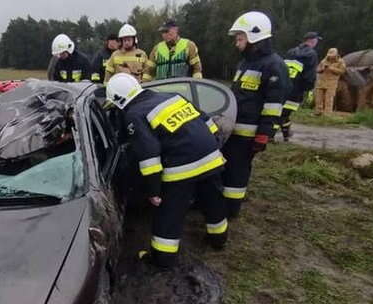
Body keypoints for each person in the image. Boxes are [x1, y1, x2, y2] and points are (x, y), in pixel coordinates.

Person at [106, 73, 228, 268]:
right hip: (212, 157)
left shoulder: (134, 114)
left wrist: (154, 191)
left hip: (182, 167)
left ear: (119, 100)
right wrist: (214, 146)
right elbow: (207, 122)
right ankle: (219, 239)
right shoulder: (171, 96)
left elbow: (149, 157)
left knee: (169, 213)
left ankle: (162, 259)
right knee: (213, 200)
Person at [224, 11, 290, 218]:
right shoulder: (245, 63)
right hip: (234, 130)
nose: (236, 43)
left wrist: (264, 134)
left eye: (240, 38)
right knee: (228, 168)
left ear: (255, 36)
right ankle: (222, 203)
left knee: (237, 173)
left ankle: (231, 209)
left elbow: (274, 105)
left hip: (249, 134)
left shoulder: (273, 65)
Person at [280, 32, 321, 140]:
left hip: (283, 85)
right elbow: (310, 75)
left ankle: (286, 134)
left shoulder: (291, 51)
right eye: (316, 40)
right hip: (297, 88)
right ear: (313, 41)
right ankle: (274, 136)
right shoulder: (312, 54)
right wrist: (308, 88)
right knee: (284, 113)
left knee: (282, 111)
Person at [314, 48, 346, 115]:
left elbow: (342, 71)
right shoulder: (324, 61)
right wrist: (321, 69)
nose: (331, 56)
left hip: (331, 83)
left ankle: (327, 113)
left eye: (332, 55)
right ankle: (318, 112)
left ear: (336, 54)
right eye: (329, 55)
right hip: (321, 82)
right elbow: (317, 69)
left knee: (329, 98)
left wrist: (331, 68)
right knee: (318, 98)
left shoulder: (340, 61)